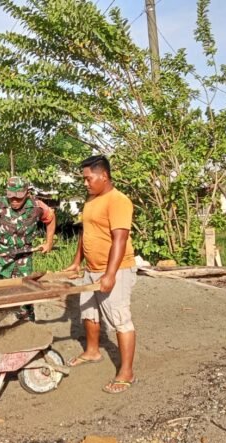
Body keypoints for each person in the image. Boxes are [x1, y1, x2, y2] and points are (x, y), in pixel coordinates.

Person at [65, 155, 137, 394]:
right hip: (91, 269)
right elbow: (86, 233)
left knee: (120, 319)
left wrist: (110, 274)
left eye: (88, 178)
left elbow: (120, 239)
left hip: (116, 269)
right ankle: (92, 351)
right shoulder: (92, 200)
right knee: (88, 312)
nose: (85, 183)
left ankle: (126, 372)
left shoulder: (118, 201)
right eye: (84, 179)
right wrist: (77, 262)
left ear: (104, 176)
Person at [0, 176, 56, 320]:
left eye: (19, 197)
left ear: (27, 193)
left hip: (24, 256)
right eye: (11, 197)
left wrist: (49, 242)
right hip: (0, 255)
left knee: (26, 293)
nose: (14, 201)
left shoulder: (37, 206)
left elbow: (51, 218)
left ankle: (26, 319)